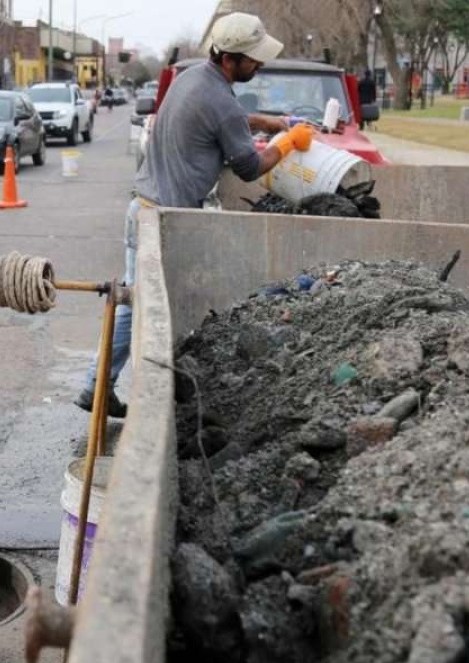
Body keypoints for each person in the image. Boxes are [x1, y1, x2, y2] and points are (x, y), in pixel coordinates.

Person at [74, 11, 313, 418]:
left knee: (133, 305)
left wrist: (270, 121)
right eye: (253, 59)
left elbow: (226, 117)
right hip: (166, 220)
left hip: (142, 207)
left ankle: (98, 386)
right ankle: (127, 392)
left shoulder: (192, 79)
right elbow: (249, 168)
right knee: (150, 311)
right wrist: (288, 141)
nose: (259, 65)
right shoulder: (221, 101)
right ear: (230, 59)